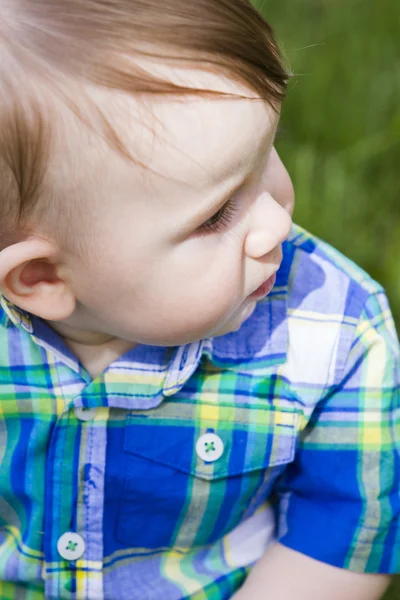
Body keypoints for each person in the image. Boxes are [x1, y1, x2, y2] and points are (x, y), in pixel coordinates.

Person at [0, 1, 399, 599]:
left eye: (267, 152)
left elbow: (343, 534)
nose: (275, 225)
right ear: (41, 280)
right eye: (215, 215)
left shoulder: (334, 331)